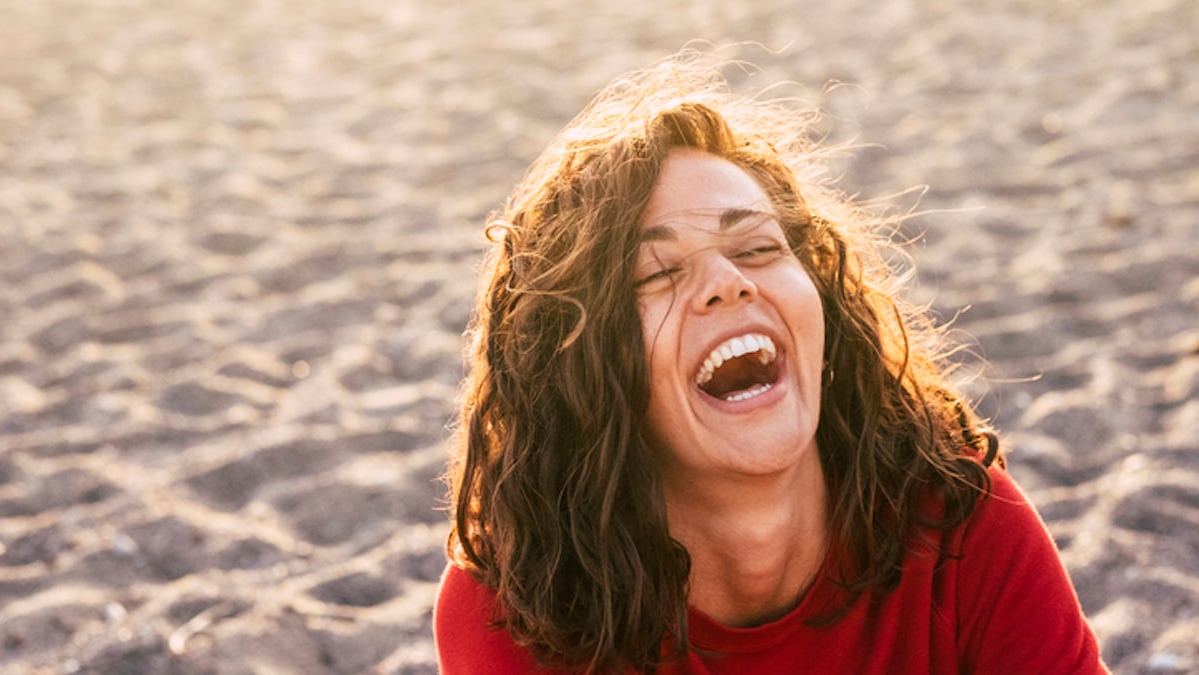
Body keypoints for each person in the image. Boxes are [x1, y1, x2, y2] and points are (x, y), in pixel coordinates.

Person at [434, 53, 1108, 673]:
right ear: (579, 369)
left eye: (757, 248)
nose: (728, 281)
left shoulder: (958, 520)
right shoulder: (518, 606)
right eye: (658, 272)